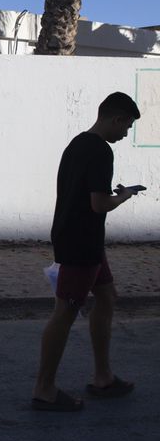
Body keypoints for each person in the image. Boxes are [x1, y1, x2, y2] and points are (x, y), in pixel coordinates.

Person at [31, 91, 141, 412]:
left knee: (107, 298)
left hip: (81, 240)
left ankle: (103, 376)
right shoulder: (101, 151)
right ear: (115, 118)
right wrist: (125, 196)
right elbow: (99, 204)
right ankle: (44, 388)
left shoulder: (77, 144)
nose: (125, 133)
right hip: (81, 243)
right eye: (126, 126)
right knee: (65, 312)